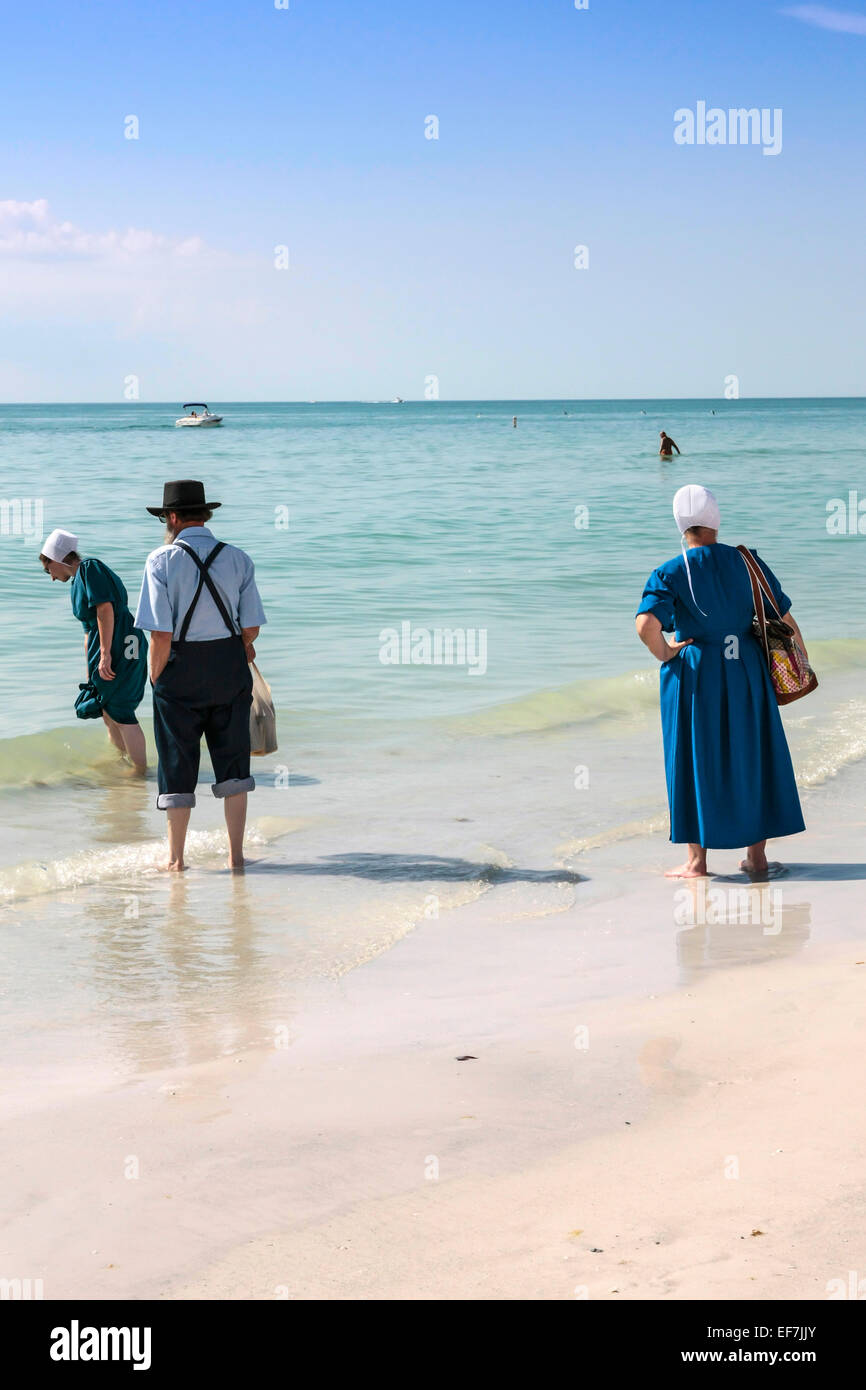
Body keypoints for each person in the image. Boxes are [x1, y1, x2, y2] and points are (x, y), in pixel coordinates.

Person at [635, 484, 806, 879]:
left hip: (696, 674)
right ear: (716, 520)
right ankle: (757, 858)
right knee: (754, 754)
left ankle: (697, 863)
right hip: (746, 667)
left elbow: (646, 625)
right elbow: (784, 619)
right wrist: (800, 660)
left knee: (694, 758)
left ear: (680, 525)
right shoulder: (749, 562)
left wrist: (665, 652)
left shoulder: (671, 570)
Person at [134, 480, 266, 872]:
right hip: (229, 669)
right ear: (204, 515)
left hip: (180, 673)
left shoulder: (160, 561)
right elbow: (252, 627)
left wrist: (156, 678)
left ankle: (176, 860)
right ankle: (236, 856)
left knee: (177, 764)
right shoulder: (238, 558)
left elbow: (159, 633)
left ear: (172, 518)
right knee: (234, 764)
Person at [39, 528, 148, 771]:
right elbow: (89, 631)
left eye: (49, 570)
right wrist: (90, 673)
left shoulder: (90, 568)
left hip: (122, 643)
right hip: (106, 648)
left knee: (120, 709)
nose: (52, 578)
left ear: (57, 559)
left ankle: (140, 772)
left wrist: (107, 653)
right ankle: (123, 761)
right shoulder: (77, 582)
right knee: (106, 708)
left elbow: (105, 610)